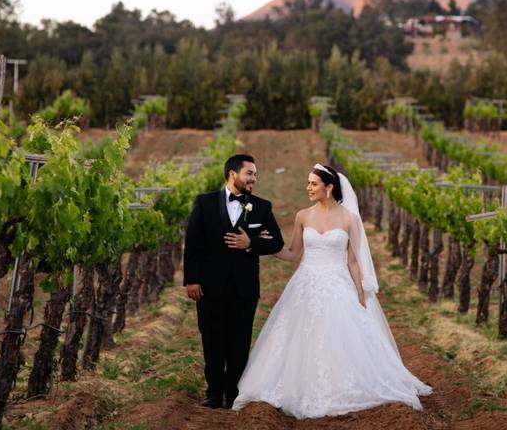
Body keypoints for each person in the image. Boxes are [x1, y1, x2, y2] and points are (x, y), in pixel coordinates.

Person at [231, 163, 432, 419]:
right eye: (308, 183)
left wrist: (360, 292)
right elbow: (293, 253)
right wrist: (258, 244)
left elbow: (353, 260)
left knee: (341, 336)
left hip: (338, 283)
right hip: (306, 283)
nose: (308, 188)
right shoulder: (303, 216)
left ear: (329, 187)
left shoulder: (350, 219)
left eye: (313, 184)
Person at [183, 154, 285, 409]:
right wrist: (192, 280)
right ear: (232, 174)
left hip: (244, 287)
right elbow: (193, 244)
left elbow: (276, 242)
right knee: (212, 339)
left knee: (239, 342)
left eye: (255, 175)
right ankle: (214, 393)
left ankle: (234, 392)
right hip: (209, 286)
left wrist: (251, 243)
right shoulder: (204, 203)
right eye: (249, 173)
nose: (254, 179)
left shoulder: (262, 207)